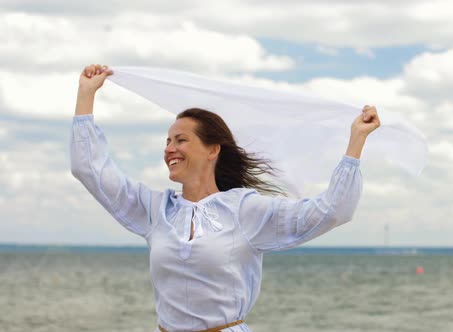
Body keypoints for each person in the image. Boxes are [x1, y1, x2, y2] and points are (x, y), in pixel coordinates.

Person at [71, 64, 381, 332]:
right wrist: (86, 95)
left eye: (181, 140)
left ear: (212, 149)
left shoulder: (245, 209)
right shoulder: (155, 210)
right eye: (167, 141)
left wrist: (356, 141)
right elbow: (91, 170)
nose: (169, 149)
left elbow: (333, 211)